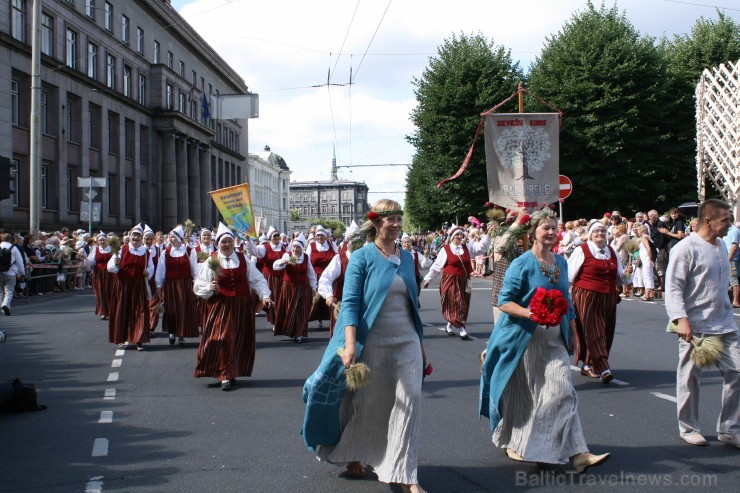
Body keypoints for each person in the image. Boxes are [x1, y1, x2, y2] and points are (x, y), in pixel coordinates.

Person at [302, 199, 427, 493]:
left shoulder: (407, 257)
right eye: (390, 219)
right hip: (372, 340)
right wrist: (349, 344)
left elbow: (413, 302)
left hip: (406, 338)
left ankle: (407, 474)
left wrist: (421, 344)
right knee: (366, 403)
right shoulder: (362, 257)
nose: (396, 224)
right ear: (376, 223)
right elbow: (352, 304)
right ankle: (354, 451)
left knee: (410, 401)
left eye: (399, 218)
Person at [479, 210, 610, 472]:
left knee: (561, 391)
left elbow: (568, 302)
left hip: (554, 338)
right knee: (526, 396)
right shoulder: (522, 263)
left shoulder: (561, 263)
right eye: (545, 228)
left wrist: (573, 332)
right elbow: (504, 300)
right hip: (524, 338)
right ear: (533, 232)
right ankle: (536, 445)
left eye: (554, 228)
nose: (551, 233)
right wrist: (532, 313)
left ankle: (577, 453)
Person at [665, 199, 740, 448]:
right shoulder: (686, 248)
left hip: (725, 324)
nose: (729, 224)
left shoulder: (720, 245)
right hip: (696, 327)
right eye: (725, 220)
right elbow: (673, 286)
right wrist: (680, 318)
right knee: (690, 378)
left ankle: (729, 428)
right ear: (708, 220)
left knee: (737, 372)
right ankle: (688, 427)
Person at [193, 223, 272, 391]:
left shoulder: (243, 259)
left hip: (242, 305)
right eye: (223, 242)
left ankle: (231, 371)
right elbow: (199, 284)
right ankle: (224, 374)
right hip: (221, 304)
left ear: (233, 242)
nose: (227, 245)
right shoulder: (212, 260)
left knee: (239, 339)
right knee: (222, 338)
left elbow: (257, 280)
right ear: (218, 243)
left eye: (229, 241)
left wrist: (265, 296)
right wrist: (210, 287)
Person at [568, 222, 623, 383]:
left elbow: (619, 275)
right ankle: (603, 367)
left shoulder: (611, 251)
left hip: (608, 296)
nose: (600, 233)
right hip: (586, 295)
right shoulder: (582, 250)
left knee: (606, 331)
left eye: (602, 231)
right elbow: (570, 276)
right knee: (594, 330)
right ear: (590, 234)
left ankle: (588, 364)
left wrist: (626, 274)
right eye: (596, 231)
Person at [423, 224, 490, 339]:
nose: (459, 236)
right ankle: (461, 327)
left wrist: (487, 235)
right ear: (452, 236)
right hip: (450, 280)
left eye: (461, 234)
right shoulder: (446, 249)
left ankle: (450, 324)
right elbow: (437, 266)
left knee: (463, 303)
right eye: (457, 234)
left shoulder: (467, 247)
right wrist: (428, 279)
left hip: (465, 280)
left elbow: (481, 248)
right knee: (455, 302)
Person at [107, 224, 154, 351]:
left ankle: (139, 339)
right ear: (130, 236)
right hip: (123, 284)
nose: (136, 238)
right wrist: (117, 265)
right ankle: (122, 338)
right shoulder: (122, 249)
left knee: (140, 311)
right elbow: (110, 267)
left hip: (138, 284)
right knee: (123, 310)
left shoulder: (145, 252)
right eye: (134, 235)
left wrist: (147, 272)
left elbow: (150, 268)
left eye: (138, 236)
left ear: (141, 238)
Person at [155, 225, 200, 346]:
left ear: (179, 238)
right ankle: (172, 331)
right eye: (169, 236)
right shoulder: (166, 252)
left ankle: (181, 334)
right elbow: (161, 269)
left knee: (183, 309)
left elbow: (194, 269)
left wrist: (196, 284)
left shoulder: (190, 251)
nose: (170, 238)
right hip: (171, 285)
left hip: (185, 284)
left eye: (172, 236)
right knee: (171, 309)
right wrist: (159, 284)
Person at [272, 234, 317, 343]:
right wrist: (283, 262)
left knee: (301, 310)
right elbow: (275, 266)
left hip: (303, 287)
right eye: (294, 247)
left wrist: (314, 287)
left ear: (301, 248)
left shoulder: (305, 257)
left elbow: (310, 273)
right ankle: (289, 329)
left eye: (297, 247)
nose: (295, 249)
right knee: (289, 309)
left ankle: (298, 333)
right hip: (289, 286)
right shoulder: (287, 255)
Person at [306, 226, 338, 329]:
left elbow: (338, 257)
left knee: (331, 297)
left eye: (321, 235)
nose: (319, 237)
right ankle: (318, 319)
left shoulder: (332, 244)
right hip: (317, 276)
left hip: (331, 276)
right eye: (318, 235)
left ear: (326, 236)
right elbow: (307, 260)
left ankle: (331, 319)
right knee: (318, 300)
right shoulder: (311, 246)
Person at [86, 233, 114, 320]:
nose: (102, 242)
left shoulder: (112, 249)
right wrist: (85, 258)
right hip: (99, 274)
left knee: (110, 292)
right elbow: (91, 262)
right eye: (100, 240)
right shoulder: (95, 250)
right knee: (100, 293)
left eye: (103, 240)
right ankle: (103, 311)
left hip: (110, 274)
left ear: (107, 241)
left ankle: (111, 311)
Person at [0, 233, 26, 316]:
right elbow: (20, 262)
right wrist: (22, 273)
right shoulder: (14, 248)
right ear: (11, 239)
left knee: (0, 291)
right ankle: (5, 305)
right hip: (11, 272)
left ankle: (2, 307)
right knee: (9, 291)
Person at [722, 215, 740, 307]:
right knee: (729, 279)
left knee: (734, 279)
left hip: (732, 258)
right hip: (728, 256)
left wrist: (728, 259)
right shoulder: (728, 230)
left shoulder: (734, 230)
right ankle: (730, 299)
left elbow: (734, 246)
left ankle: (736, 301)